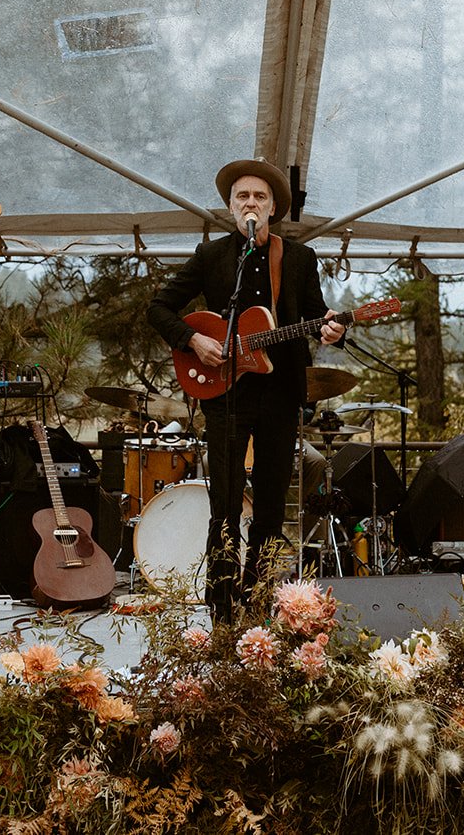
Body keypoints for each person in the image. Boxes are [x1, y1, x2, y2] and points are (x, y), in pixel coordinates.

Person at [148, 159, 344, 621]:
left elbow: (317, 316)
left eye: (259, 197)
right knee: (225, 506)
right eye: (242, 197)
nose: (250, 203)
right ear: (231, 207)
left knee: (271, 508)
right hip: (226, 394)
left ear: (273, 207)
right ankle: (220, 612)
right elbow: (158, 308)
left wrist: (332, 330)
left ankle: (258, 604)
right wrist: (193, 340)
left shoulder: (298, 258)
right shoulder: (212, 256)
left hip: (281, 394)